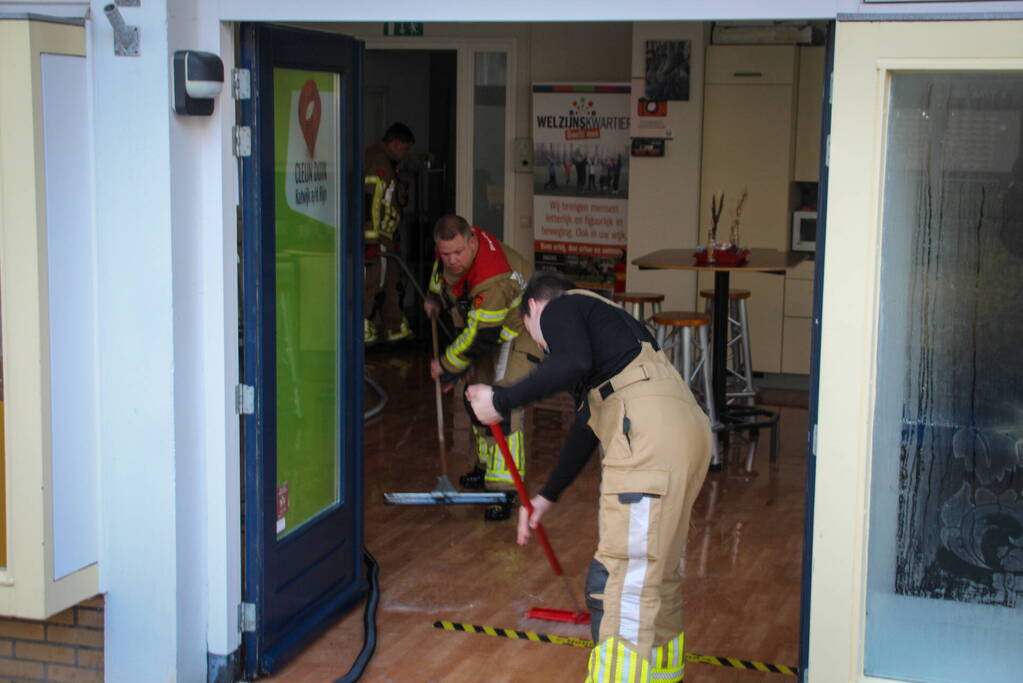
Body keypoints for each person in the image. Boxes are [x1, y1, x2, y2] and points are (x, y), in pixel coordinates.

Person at [466, 271, 712, 683]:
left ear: (532, 310)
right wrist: (546, 497)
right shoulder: (611, 327)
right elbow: (586, 426)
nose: (543, 346)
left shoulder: (561, 307)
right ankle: (663, 675)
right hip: (684, 435)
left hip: (648, 442)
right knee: (656, 571)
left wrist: (501, 399)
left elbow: (570, 361)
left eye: (533, 333)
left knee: (619, 580)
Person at [424, 215, 541, 520]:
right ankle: (485, 467)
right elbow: (441, 277)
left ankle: (505, 489)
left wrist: (447, 365)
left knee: (501, 404)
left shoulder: (494, 279)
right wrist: (433, 296)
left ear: (472, 242)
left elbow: (480, 336)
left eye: (458, 253)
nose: (451, 260)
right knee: (475, 397)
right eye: (445, 254)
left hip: (523, 332)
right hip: (494, 331)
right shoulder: (453, 252)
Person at [364, 122, 415, 344]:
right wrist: (371, 239)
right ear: (394, 143)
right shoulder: (377, 162)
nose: (405, 155)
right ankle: (363, 326)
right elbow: (372, 202)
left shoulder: (387, 162)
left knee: (392, 281)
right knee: (374, 282)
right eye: (404, 149)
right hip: (377, 237)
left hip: (387, 236)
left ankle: (395, 326)